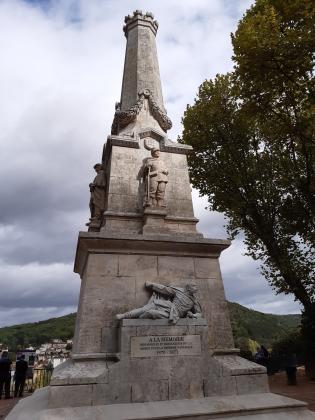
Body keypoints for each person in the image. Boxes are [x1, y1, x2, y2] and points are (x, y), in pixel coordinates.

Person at [116, 281, 202, 324]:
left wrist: (193, 315)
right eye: (194, 286)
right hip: (167, 305)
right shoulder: (179, 291)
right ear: (188, 288)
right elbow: (164, 289)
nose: (196, 288)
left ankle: (136, 323)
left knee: (150, 313)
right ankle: (124, 315)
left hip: (173, 314)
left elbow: (199, 313)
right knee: (144, 309)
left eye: (197, 286)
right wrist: (152, 285)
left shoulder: (194, 301)